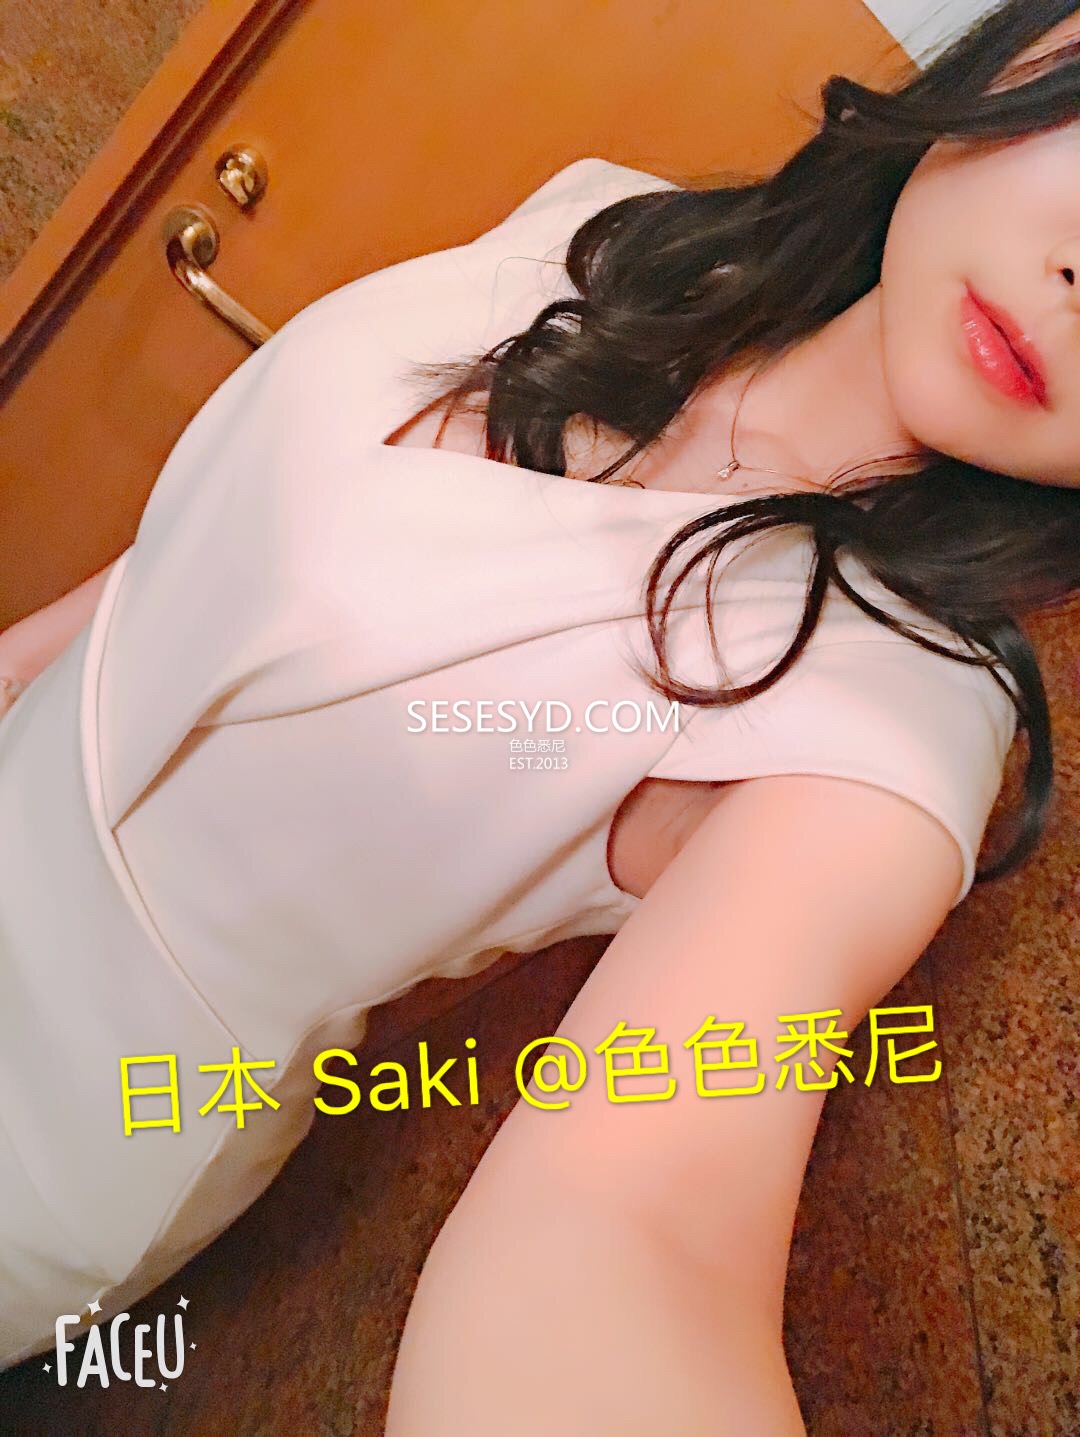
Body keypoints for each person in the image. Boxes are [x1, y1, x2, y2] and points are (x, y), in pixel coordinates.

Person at [0, 0, 1077, 1428]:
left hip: (63, 1113)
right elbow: (204, 563)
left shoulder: (892, 723)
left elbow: (635, 1236)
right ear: (1031, 49)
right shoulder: (621, 230)